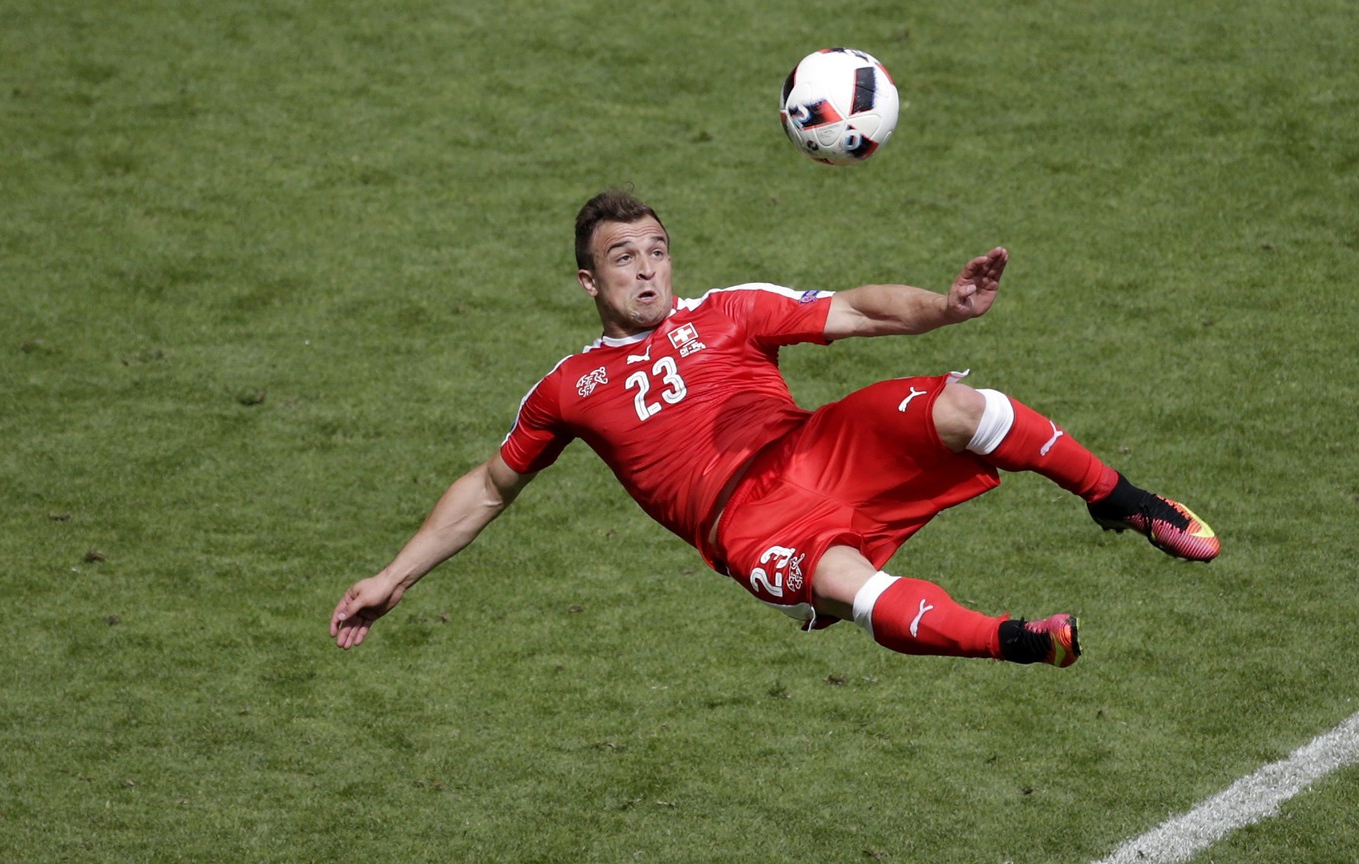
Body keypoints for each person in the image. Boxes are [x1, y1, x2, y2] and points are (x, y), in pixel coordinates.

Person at [330, 189, 1219, 667]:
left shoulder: (728, 311)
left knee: (968, 408)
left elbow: (857, 312)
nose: (646, 269)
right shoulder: (569, 387)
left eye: (656, 249)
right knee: (850, 584)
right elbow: (490, 486)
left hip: (814, 448)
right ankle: (1017, 641)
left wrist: (945, 309)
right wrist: (392, 575)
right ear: (588, 284)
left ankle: (1123, 502)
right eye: (622, 258)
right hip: (744, 522)